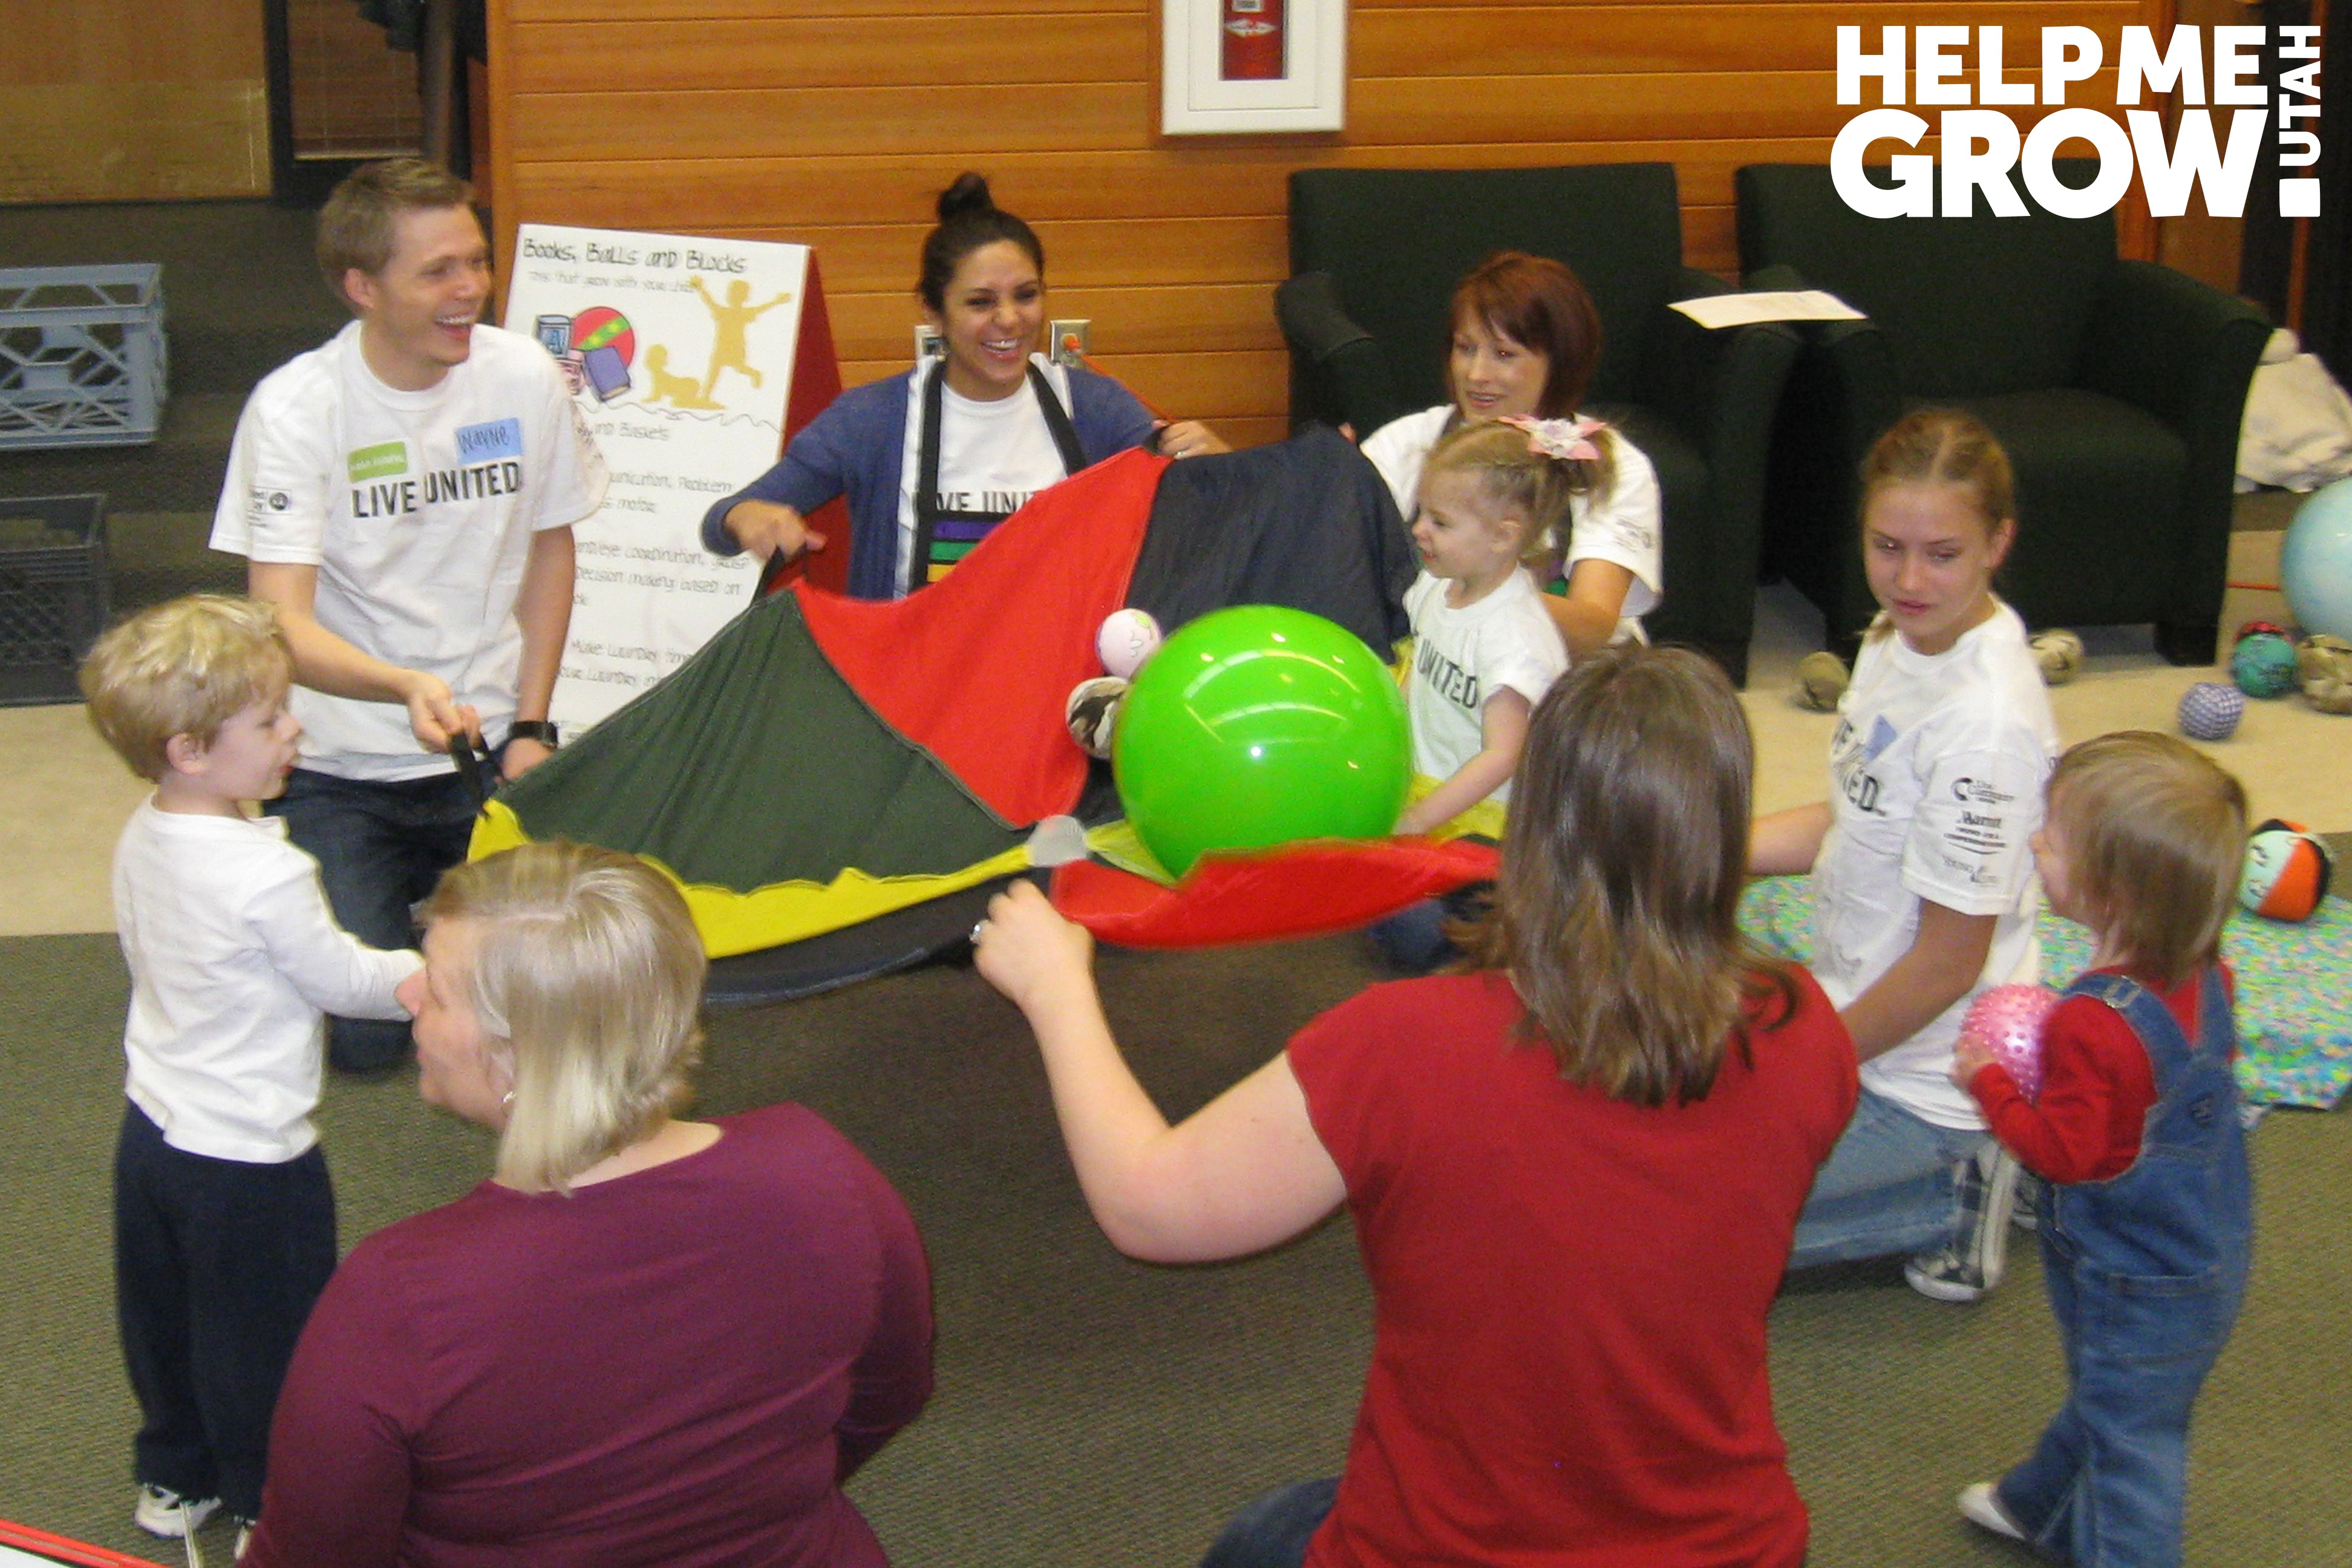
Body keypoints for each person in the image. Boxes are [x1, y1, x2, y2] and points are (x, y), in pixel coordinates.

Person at [975, 645, 1858, 1568]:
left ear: (1532, 831)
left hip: (1448, 1547)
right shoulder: (1809, 1034)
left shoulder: (1403, 1047)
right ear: (1722, 833)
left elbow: (1148, 1205)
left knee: (1258, 1541)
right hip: (1729, 1548)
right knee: (1282, 1523)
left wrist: (1056, 991)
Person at [242, 841, 935, 1566]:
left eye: (438, 991)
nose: (407, 993)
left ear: (522, 1057)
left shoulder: (403, 1296)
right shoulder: (825, 1169)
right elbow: (889, 1397)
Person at [210, 156, 608, 1074]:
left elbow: (552, 545)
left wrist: (533, 725)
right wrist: (402, 685)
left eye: (476, 262)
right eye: (438, 272)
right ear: (362, 287)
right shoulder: (296, 409)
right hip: (341, 768)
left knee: (548, 1009)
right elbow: (279, 624)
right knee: (369, 1040)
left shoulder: (524, 376)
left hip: (488, 753)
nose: (469, 289)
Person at [79, 595, 422, 1549]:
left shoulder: (145, 831)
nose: (293, 728)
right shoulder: (265, 875)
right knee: (268, 1335)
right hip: (251, 1160)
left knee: (164, 1317)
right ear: (191, 749)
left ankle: (173, 1477)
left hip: (151, 1131)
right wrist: (428, 974)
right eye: (270, 719)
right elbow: (347, 981)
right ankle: (271, 1493)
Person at [1749, 408, 2059, 1303]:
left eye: (1943, 554)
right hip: (1847, 1008)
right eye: (1887, 547)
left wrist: (1803, 1074)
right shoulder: (1895, 639)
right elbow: (1855, 816)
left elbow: (1947, 964)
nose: (1910, 579)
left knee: (1682, 1221)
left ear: (1998, 541)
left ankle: (1958, 1191)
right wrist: (1709, 850)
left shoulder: (1985, 729)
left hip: (1925, 1086)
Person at [1950, 733, 2252, 1566]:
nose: (2035, 844)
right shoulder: (2206, 971)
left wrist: (1991, 1084)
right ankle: (2037, 1505)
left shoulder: (2092, 1020)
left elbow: (2063, 1154)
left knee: (2134, 1445)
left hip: (2130, 1271)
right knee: (2119, 1396)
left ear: (2110, 889)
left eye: (2053, 837)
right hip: (2207, 1248)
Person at [702, 171, 1227, 599]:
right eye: (980, 303)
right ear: (934, 313)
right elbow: (720, 523)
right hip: (914, 692)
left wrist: (1219, 465)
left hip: (1059, 687)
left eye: (1026, 296)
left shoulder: (1096, 409)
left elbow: (1210, 511)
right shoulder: (872, 419)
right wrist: (744, 517)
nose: (1009, 320)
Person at [1358, 250, 1661, 655]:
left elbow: (1591, 627)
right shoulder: (1409, 442)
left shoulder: (1615, 466)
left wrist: (1470, 586)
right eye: (1465, 348)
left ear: (1560, 362)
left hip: (1572, 676)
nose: (1476, 374)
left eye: (1504, 355)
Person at [1373, 418, 1575, 970]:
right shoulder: (1440, 588)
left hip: (1491, 828)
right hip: (1430, 794)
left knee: (1405, 927)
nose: (1418, 531)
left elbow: (1504, 755)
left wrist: (1418, 823)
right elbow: (1420, 663)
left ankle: (1493, 942)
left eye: (1440, 521)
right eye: (1421, 513)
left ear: (1504, 535)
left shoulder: (1513, 637)